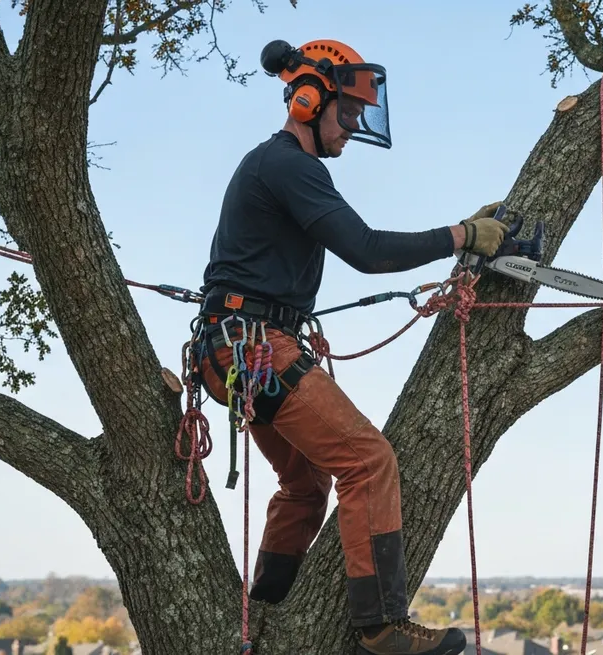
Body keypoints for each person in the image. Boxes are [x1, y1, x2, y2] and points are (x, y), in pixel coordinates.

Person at [194, 38, 507, 655]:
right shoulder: (288, 165)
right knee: (368, 461)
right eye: (350, 111)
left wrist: (459, 231)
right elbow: (366, 250)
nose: (356, 126)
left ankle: (264, 613)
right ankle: (380, 626)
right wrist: (462, 234)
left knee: (306, 486)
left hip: (239, 348)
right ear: (311, 100)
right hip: (254, 348)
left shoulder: (285, 170)